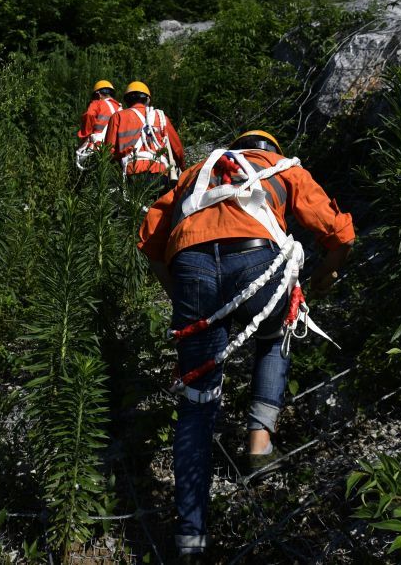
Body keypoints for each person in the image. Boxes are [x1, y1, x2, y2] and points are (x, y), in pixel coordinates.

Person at [137, 130, 355, 561]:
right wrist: (325, 277)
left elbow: (150, 240)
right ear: (269, 150)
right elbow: (340, 234)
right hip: (257, 257)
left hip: (191, 268)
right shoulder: (284, 169)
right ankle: (258, 441)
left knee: (197, 401)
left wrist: (180, 294)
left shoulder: (196, 174)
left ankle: (190, 537)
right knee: (280, 328)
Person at [103, 81, 184, 191]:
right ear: (148, 99)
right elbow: (177, 149)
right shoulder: (161, 117)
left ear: (127, 100)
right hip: (159, 173)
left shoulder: (118, 117)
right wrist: (183, 169)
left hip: (132, 172)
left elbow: (108, 151)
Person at [76, 80, 122, 169]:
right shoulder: (121, 109)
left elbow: (89, 115)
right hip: (115, 154)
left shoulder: (97, 103)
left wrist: (84, 136)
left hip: (97, 149)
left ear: (98, 94)